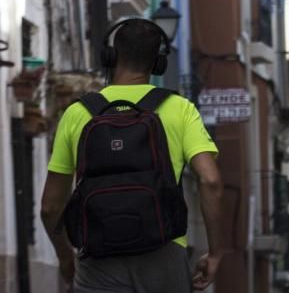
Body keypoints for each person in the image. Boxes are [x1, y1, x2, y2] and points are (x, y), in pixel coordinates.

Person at [40, 19, 224, 292]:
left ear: (111, 57)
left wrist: (65, 256)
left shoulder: (77, 114)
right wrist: (216, 252)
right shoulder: (179, 109)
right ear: (157, 63)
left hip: (98, 261)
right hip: (163, 256)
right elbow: (210, 181)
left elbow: (50, 207)